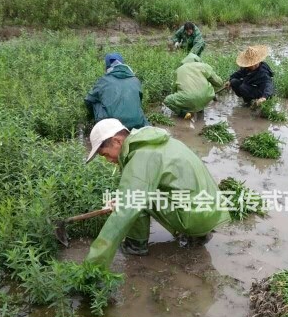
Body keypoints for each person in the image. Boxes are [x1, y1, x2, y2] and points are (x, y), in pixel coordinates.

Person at [84, 118, 230, 268]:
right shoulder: (155, 142)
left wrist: (92, 265)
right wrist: (123, 197)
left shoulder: (142, 156)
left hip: (196, 217)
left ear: (117, 141)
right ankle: (199, 236)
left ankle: (135, 247)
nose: (108, 160)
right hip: (211, 210)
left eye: (106, 154)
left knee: (138, 201)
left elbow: (127, 209)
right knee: (137, 196)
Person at [85, 53, 149, 130]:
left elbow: (88, 100)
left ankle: (100, 128)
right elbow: (139, 101)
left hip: (114, 127)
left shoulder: (104, 81)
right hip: (137, 123)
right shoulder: (135, 80)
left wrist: (90, 116)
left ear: (107, 67)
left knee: (95, 101)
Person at [164, 53, 223, 119]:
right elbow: (219, 83)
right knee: (202, 94)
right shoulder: (204, 66)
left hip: (188, 97)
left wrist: (178, 101)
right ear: (198, 60)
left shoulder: (179, 70)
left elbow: (174, 89)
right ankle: (200, 117)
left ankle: (185, 113)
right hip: (206, 97)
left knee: (167, 100)